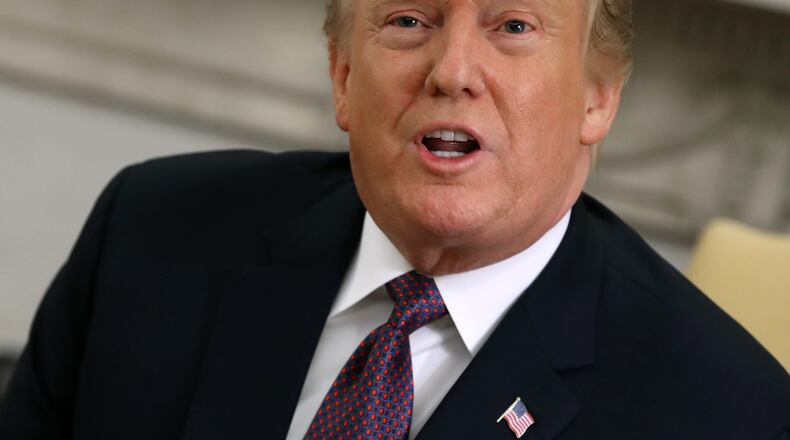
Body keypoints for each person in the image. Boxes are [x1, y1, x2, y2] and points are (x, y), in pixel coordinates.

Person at [1, 0, 788, 438]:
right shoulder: (151, 232)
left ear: (598, 98)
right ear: (342, 75)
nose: (451, 71)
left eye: (513, 26)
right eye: (409, 19)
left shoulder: (729, 415)